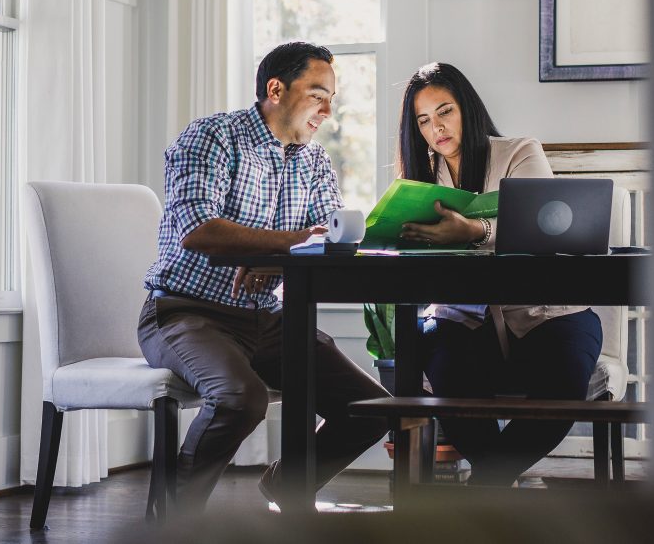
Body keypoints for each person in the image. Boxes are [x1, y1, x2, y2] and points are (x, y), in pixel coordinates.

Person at [138, 42, 390, 512]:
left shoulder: (314, 162)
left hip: (268, 320)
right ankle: (172, 522)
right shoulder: (212, 136)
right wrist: (288, 244)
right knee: (241, 398)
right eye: (318, 94)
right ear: (276, 89)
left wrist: (276, 260)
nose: (328, 111)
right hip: (183, 313)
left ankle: (289, 484)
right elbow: (198, 230)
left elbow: (327, 242)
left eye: (331, 98)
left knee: (372, 408)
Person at [395, 62, 604, 487]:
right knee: (443, 359)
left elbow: (544, 229)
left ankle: (486, 485)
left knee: (564, 382)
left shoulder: (519, 151)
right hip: (462, 318)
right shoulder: (419, 182)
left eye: (445, 111)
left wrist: (476, 231)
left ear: (467, 108)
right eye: (423, 120)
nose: (436, 127)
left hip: (548, 312)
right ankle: (493, 488)